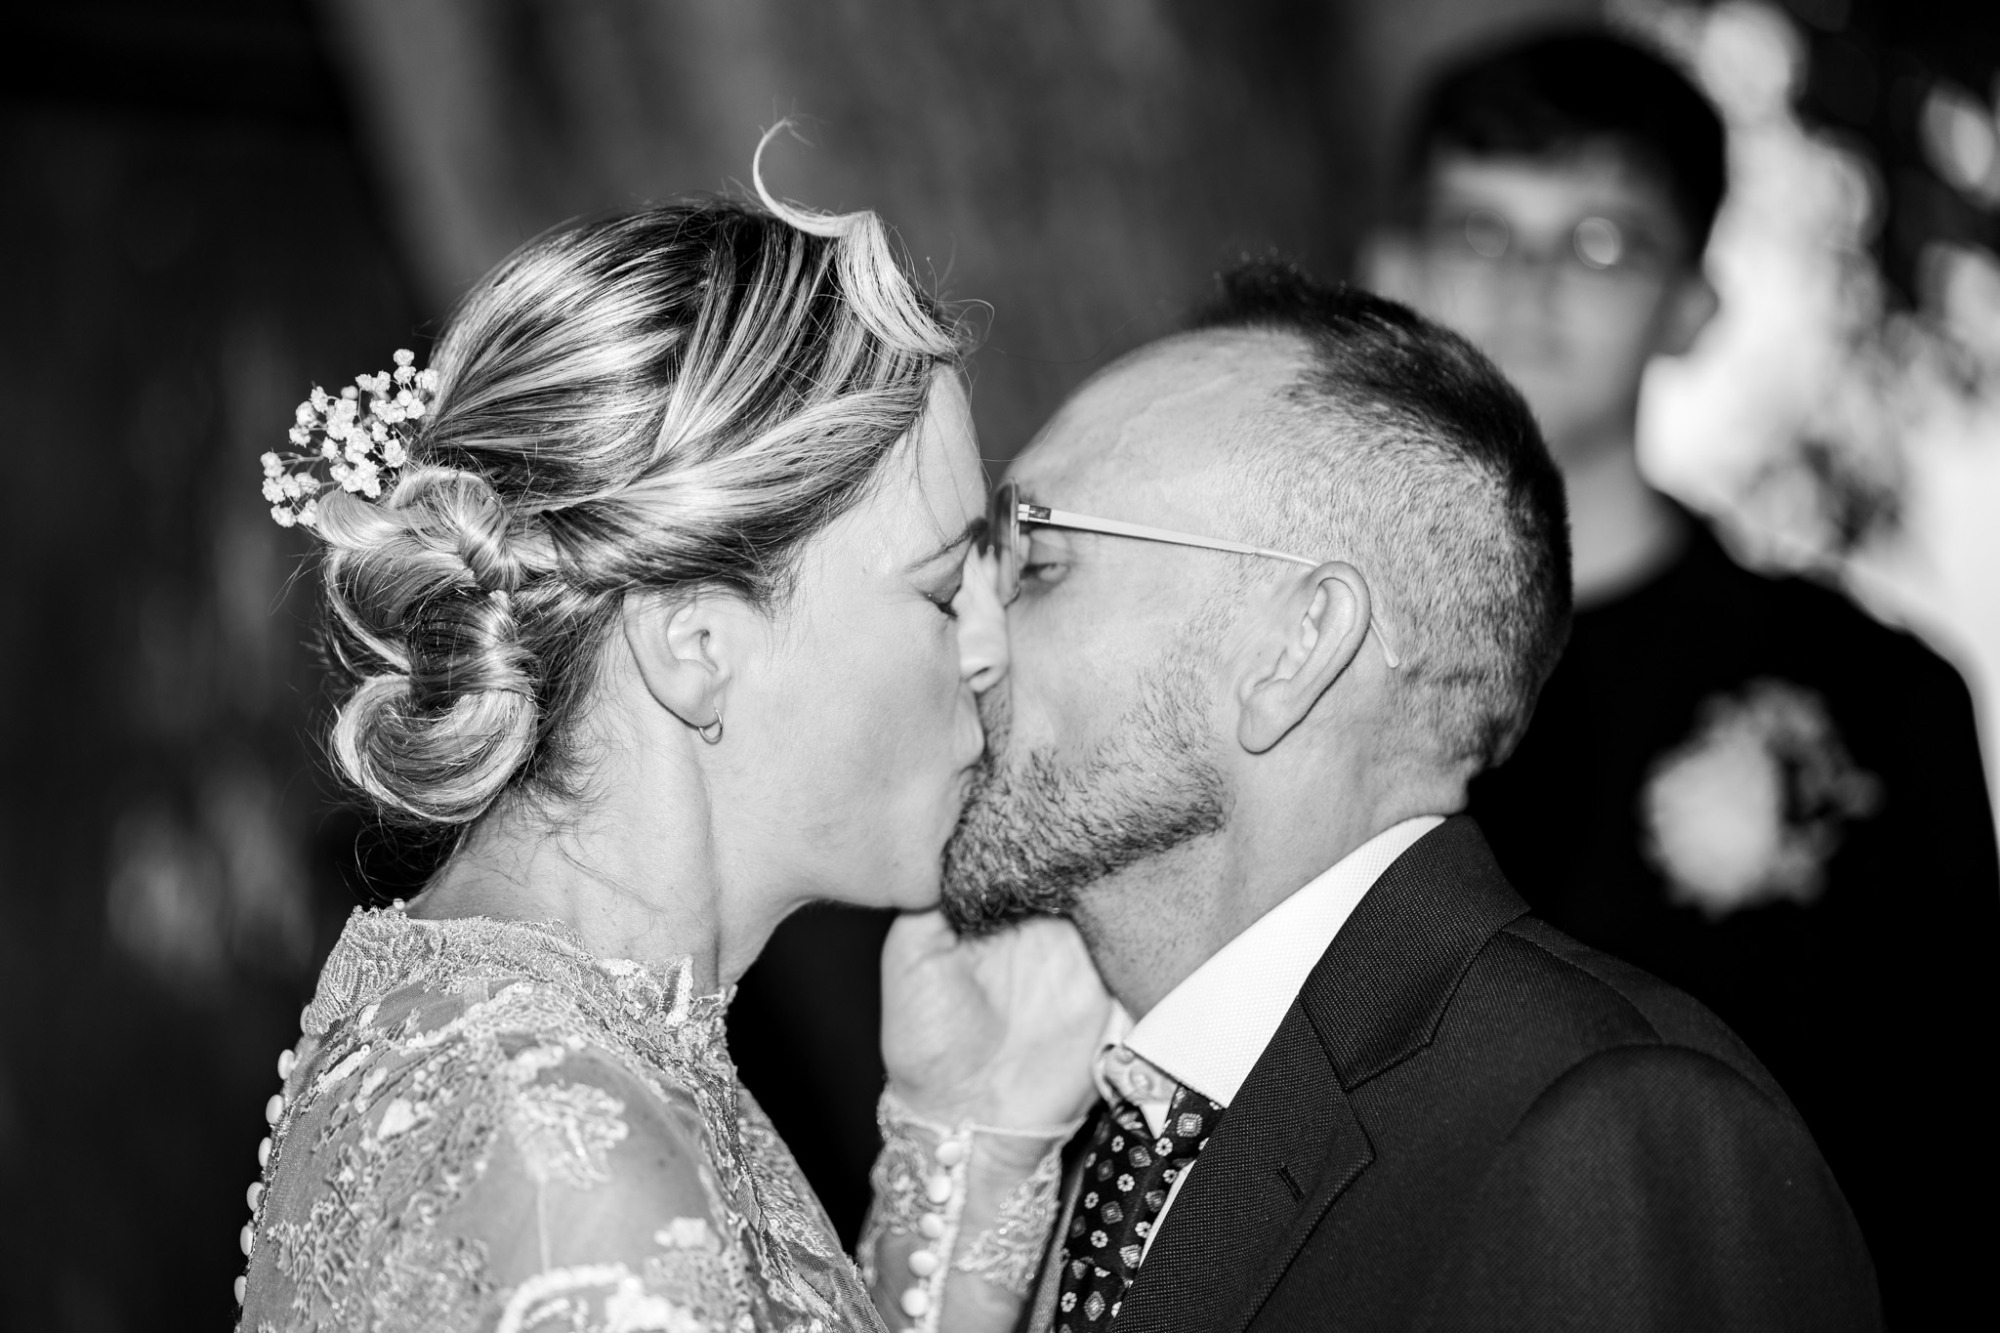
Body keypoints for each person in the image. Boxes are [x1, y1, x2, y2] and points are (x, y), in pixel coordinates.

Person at [236, 169, 1110, 1333]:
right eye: (946, 590)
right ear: (693, 644)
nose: (990, 651)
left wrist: (962, 1143)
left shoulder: (566, 1049)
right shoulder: (571, 1160)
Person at [934, 261, 1882, 1330]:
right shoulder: (1052, 1119)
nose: (963, 637)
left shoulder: (1604, 1129)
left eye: (1039, 563)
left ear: (1294, 647)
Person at [1358, 29, 1999, 1321]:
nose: (1531, 285)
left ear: (1693, 304)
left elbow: (1962, 1149)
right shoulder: (1300, 656)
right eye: (1483, 230)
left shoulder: (1880, 694)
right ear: (1395, 270)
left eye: (1601, 241)